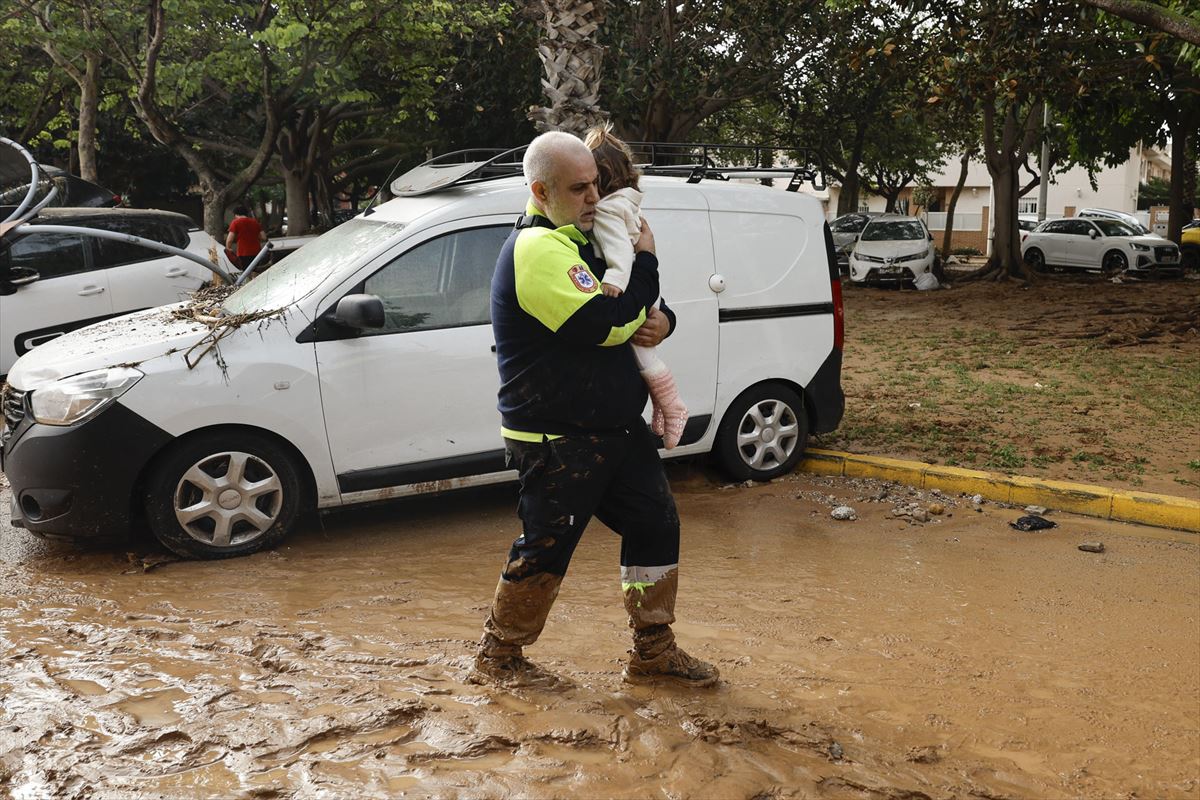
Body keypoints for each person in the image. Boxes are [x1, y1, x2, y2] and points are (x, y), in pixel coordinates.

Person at [473, 130, 719, 690]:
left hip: (613, 429)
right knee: (547, 543)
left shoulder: (582, 240)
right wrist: (651, 262)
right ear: (540, 190)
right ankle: (500, 655)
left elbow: (634, 303)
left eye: (597, 188)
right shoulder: (539, 249)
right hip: (555, 437)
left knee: (655, 525)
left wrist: (666, 319)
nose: (594, 199)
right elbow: (606, 323)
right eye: (581, 189)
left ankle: (653, 651)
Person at [584, 125, 688, 450]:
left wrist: (666, 320)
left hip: (621, 421)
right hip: (603, 416)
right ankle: (666, 404)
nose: (587, 195)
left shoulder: (605, 213)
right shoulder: (626, 205)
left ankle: (669, 405)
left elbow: (632, 267)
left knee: (646, 359)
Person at [225, 205, 267, 272]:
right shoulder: (255, 222)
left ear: (236, 214)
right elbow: (264, 237)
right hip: (257, 252)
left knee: (246, 273)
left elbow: (229, 239)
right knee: (255, 271)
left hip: (243, 252)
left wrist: (228, 248)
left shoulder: (235, 222)